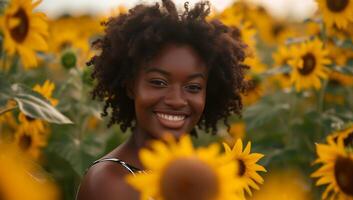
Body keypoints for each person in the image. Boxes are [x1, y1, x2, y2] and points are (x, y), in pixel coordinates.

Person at [76, 0, 249, 199]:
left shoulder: (201, 180)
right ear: (131, 85)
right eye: (158, 82)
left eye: (193, 87)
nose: (176, 100)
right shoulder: (111, 184)